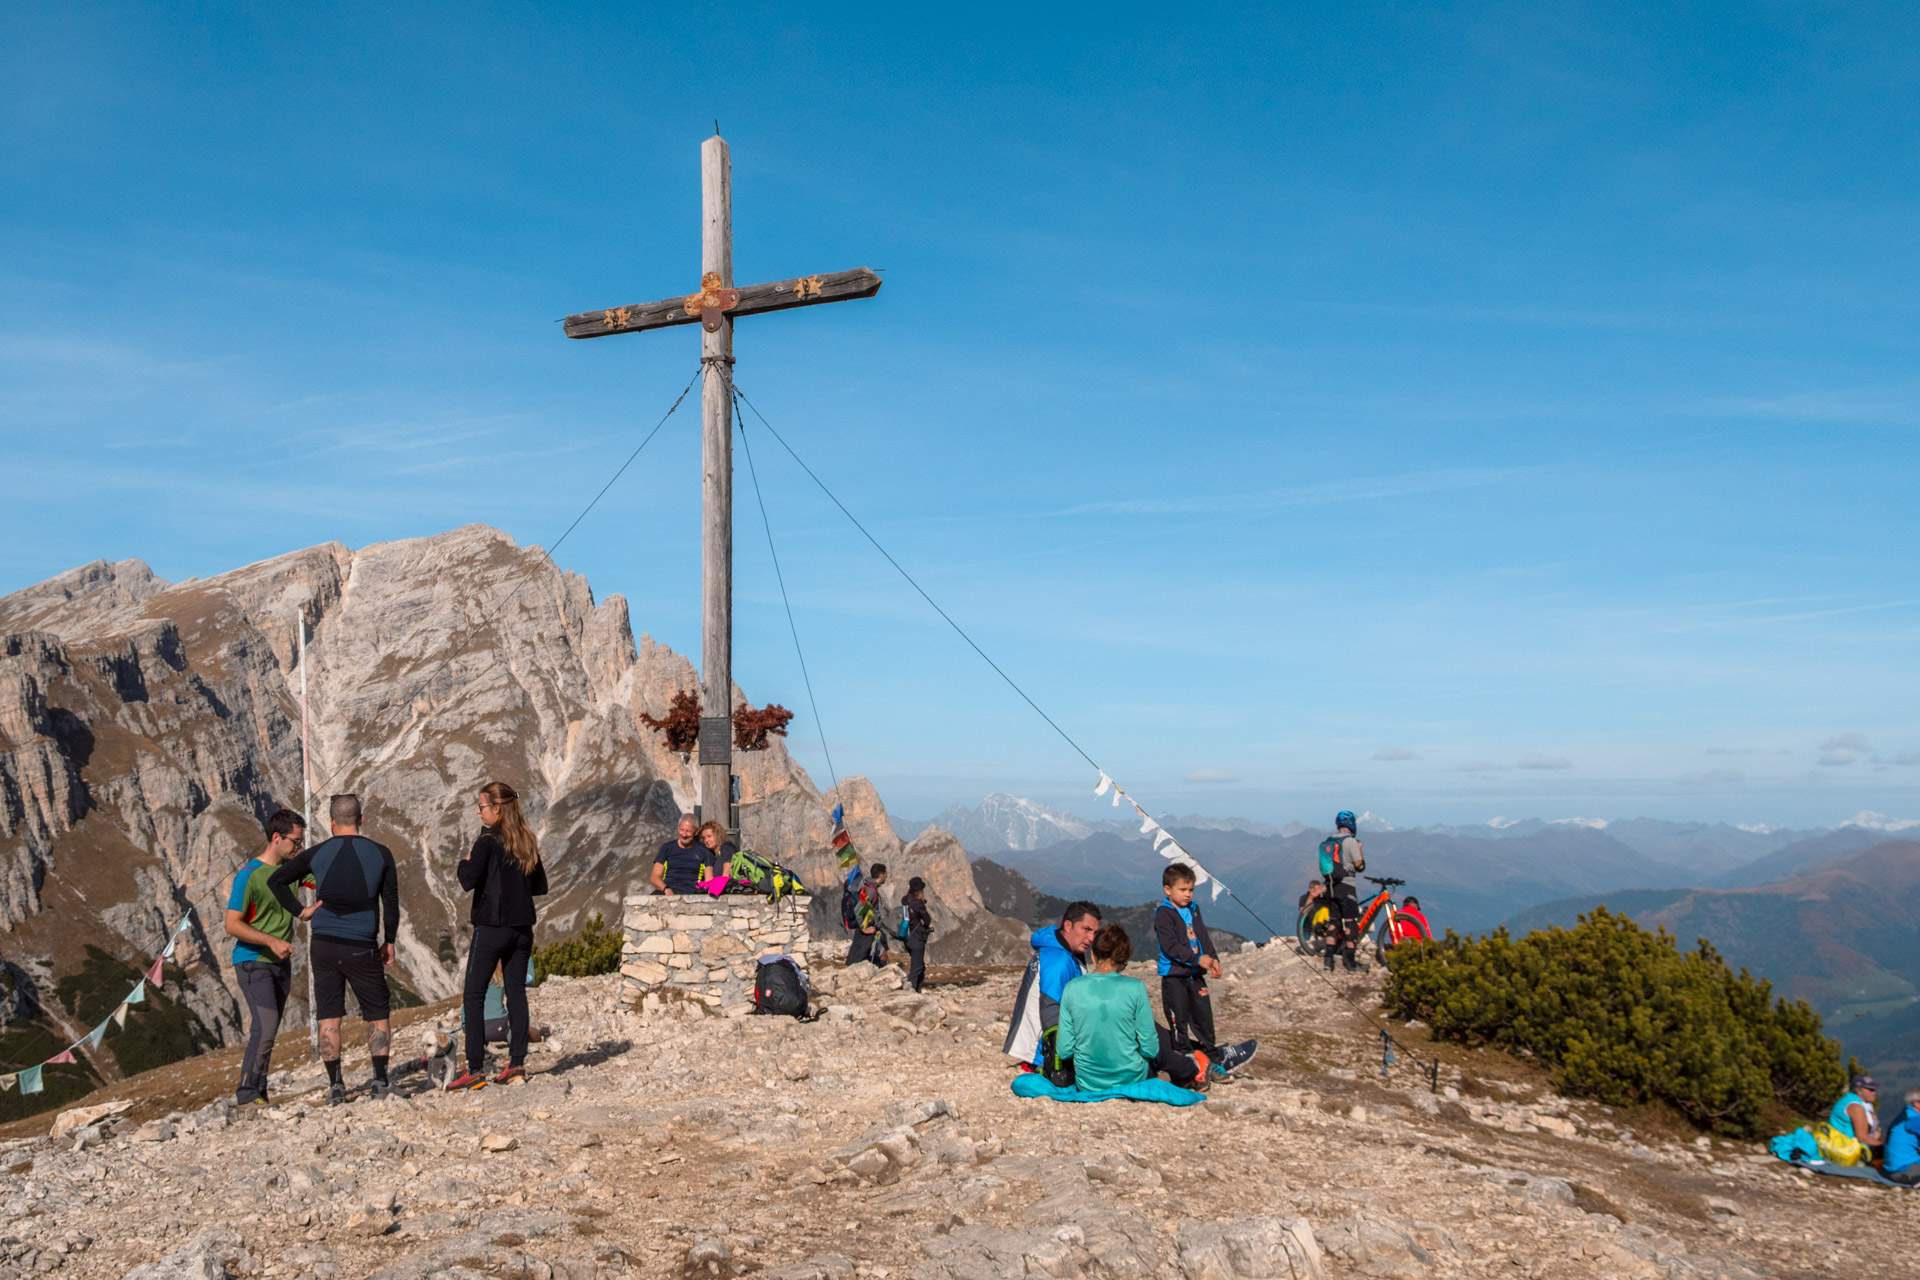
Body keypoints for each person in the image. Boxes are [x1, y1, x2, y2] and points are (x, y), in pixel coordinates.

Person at [268, 793, 399, 1105]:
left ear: (331, 823)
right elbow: (390, 902)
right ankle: (380, 1080)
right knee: (377, 1012)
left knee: (329, 1015)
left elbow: (277, 880)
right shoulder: (381, 853)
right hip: (362, 944)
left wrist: (301, 911)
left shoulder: (316, 853)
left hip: (324, 943)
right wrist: (389, 941)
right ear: (361, 820)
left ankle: (336, 1086)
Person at [446, 781, 549, 1091]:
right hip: (522, 929)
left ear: (497, 809)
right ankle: (517, 1064)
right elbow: (539, 886)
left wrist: (464, 860)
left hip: (491, 926)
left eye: (482, 807)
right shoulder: (526, 840)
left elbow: (467, 880)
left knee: (473, 995)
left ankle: (475, 1068)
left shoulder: (487, 841)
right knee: (515, 991)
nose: (479, 813)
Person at [223, 808, 312, 1106]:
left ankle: (258, 1090)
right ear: (277, 838)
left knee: (268, 1028)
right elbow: (232, 923)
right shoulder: (249, 877)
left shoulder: (293, 871)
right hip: (252, 960)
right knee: (267, 1024)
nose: (298, 848)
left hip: (280, 962)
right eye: (295, 842)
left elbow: (322, 877)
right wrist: (270, 941)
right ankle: (247, 1094)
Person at [1058, 923, 1206, 1091]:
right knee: (1161, 1052)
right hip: (1132, 1078)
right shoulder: (1135, 988)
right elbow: (1150, 1050)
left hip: (1089, 1083)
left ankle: (1178, 1070)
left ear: (1093, 955)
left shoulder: (1071, 988)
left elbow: (1064, 1051)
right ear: (1123, 960)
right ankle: (1191, 1069)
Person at [1154, 863, 1256, 1078]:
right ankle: (1185, 1062)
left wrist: (1213, 959)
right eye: (1182, 890)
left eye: (1191, 889)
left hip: (1195, 974)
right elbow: (1170, 947)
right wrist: (1196, 959)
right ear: (1167, 889)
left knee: (1203, 1016)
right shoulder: (1164, 914)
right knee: (1178, 1020)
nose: (1188, 895)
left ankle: (1214, 1058)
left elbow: (1202, 935)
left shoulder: (1193, 909)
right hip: (1174, 976)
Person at [1003, 901, 1101, 1082]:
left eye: (1094, 932)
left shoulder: (1063, 950)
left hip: (1040, 1049)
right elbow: (1051, 1009)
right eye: (1086, 929)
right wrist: (1056, 1064)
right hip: (1039, 1054)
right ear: (1068, 925)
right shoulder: (1058, 960)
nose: (1091, 938)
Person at [1317, 809, 1367, 972]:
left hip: (1331, 887)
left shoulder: (1329, 842)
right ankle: (1350, 963)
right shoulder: (1350, 842)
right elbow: (1359, 866)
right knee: (1351, 923)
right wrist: (1360, 850)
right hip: (1347, 886)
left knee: (1334, 922)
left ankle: (1328, 960)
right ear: (1351, 824)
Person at [1814, 1074, 1884, 1165]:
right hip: (1845, 1148)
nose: (1874, 1092)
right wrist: (1884, 1146)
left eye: (1874, 1089)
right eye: (1870, 1089)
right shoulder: (1855, 1107)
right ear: (1859, 1090)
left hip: (1847, 1144)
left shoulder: (1862, 1103)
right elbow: (1862, 1137)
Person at [845, 863, 889, 967]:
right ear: (881, 875)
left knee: (866, 958)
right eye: (885, 873)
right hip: (866, 929)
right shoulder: (871, 891)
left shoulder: (869, 886)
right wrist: (864, 928)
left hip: (869, 928)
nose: (886, 876)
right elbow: (858, 909)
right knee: (857, 959)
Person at [650, 815, 705, 896]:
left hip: (692, 894)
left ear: (696, 831)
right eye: (681, 830)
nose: (684, 834)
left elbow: (709, 879)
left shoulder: (703, 851)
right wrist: (666, 889)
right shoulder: (667, 848)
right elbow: (654, 877)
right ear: (678, 828)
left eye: (688, 831)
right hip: (667, 891)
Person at [902, 876, 933, 992]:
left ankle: (917, 990)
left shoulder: (905, 900)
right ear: (919, 891)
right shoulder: (918, 904)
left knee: (919, 965)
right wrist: (922, 903)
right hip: (917, 939)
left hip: (907, 937)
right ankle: (912, 991)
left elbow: (908, 916)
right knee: (917, 967)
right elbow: (927, 920)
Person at [1883, 1088, 1920, 1185]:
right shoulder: (1915, 1119)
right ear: (1916, 1103)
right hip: (1904, 1170)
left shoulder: (1906, 1114)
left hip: (1893, 1168)